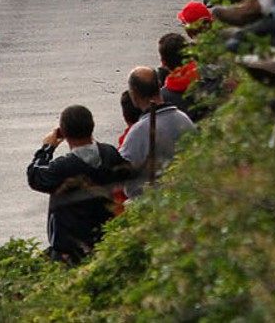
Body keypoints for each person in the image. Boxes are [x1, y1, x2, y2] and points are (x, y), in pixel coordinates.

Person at [26, 105, 132, 262]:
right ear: (92, 127)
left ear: (64, 132)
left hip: (70, 251)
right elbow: (127, 172)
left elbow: (34, 176)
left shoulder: (63, 168)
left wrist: (47, 148)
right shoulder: (109, 154)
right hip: (104, 240)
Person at [118, 66, 196, 198]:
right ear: (159, 85)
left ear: (134, 93)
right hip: (186, 195)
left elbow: (120, 172)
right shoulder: (183, 119)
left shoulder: (138, 132)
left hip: (151, 204)